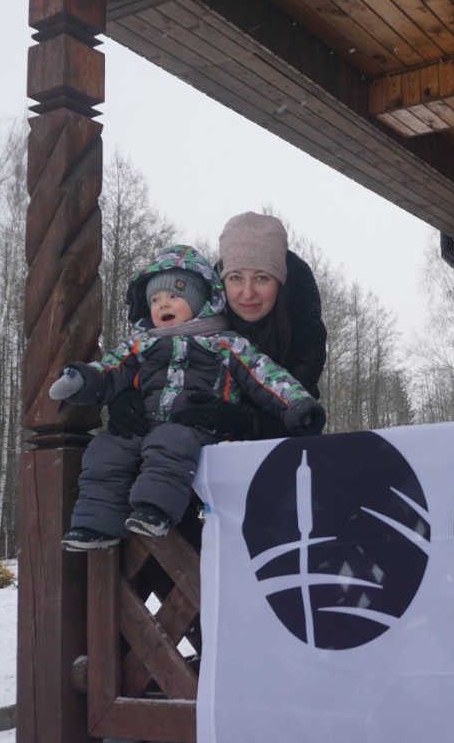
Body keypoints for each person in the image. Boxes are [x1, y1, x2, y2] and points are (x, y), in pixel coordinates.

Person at [49, 244, 325, 551]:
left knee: (170, 444)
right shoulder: (141, 343)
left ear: (198, 300)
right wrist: (83, 379)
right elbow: (110, 368)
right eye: (155, 299)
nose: (163, 304)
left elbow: (266, 376)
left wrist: (297, 404)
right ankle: (96, 524)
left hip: (195, 425)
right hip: (144, 423)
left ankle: (154, 510)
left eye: (174, 296)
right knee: (105, 449)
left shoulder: (225, 343)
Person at [107, 212, 328, 441]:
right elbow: (151, 358)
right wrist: (123, 396)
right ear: (222, 281)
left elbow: (302, 415)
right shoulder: (197, 317)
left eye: (262, 278)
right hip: (177, 445)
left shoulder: (303, 332)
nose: (247, 293)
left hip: (273, 448)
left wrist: (248, 421)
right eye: (235, 278)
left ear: (280, 282)